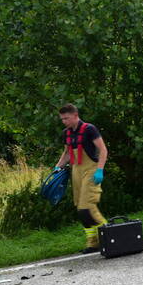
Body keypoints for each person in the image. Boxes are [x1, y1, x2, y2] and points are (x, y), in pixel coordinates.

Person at [55, 104, 108, 253]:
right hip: (76, 170)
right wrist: (57, 167)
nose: (64, 121)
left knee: (87, 208)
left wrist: (100, 170)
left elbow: (103, 150)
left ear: (75, 115)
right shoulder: (67, 133)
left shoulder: (89, 129)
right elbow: (66, 153)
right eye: (62, 119)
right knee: (80, 210)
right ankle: (93, 243)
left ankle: (110, 234)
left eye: (66, 118)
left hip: (91, 169)